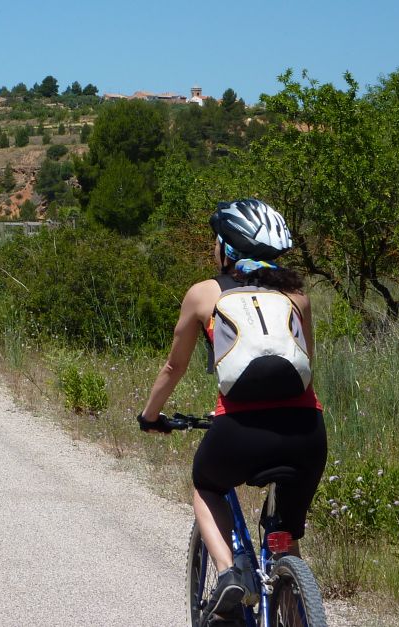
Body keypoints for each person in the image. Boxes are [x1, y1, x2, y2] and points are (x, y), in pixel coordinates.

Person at [136, 199, 326, 622]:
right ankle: (292, 593)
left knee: (206, 484)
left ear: (226, 247)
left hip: (240, 431)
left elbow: (174, 366)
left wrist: (150, 416)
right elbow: (307, 365)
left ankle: (228, 575)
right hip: (306, 433)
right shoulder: (298, 297)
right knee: (284, 535)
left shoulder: (204, 294)